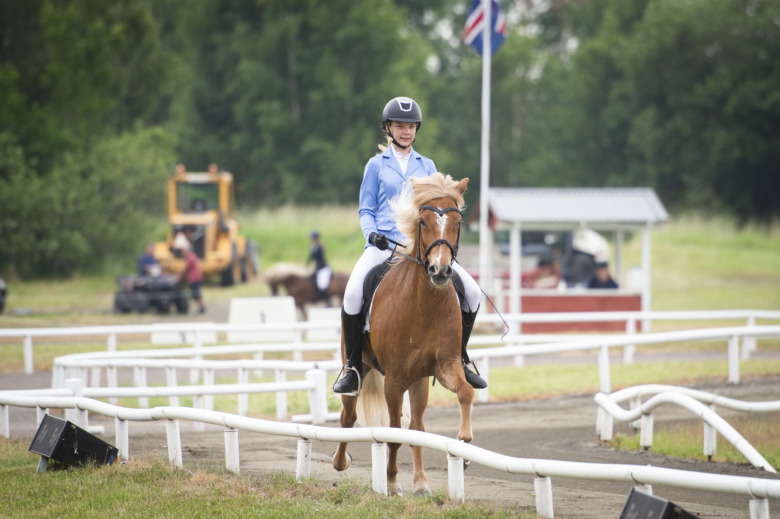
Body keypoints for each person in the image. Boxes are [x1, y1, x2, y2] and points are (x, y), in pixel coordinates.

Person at [332, 96, 486, 396]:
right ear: (388, 128)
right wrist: (371, 234)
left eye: (411, 126)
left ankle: (461, 357)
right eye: (400, 126)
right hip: (383, 244)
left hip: (420, 246)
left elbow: (438, 209)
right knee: (352, 294)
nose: (406, 131)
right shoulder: (376, 165)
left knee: (472, 292)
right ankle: (351, 367)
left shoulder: (426, 165)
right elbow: (366, 209)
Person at [173, 233, 206, 314]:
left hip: (194, 278)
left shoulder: (190, 257)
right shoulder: (192, 256)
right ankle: (201, 307)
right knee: (196, 294)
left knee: (196, 294)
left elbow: (187, 268)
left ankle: (201, 308)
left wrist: (180, 275)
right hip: (195, 278)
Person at [307, 230, 332, 302]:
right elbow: (310, 257)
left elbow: (317, 256)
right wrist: (307, 264)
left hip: (323, 268)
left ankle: (328, 301)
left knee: (322, 285)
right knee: (312, 280)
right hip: (317, 268)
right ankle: (315, 297)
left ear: (315, 238)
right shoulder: (313, 247)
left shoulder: (319, 247)